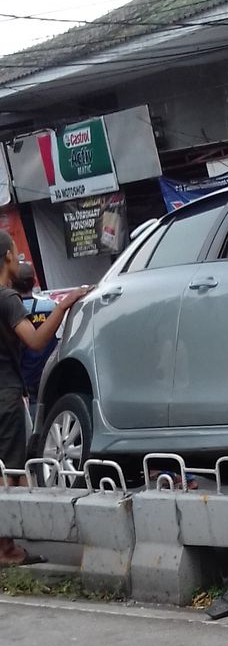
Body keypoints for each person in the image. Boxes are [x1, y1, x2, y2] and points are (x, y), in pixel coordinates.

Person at [0, 231, 87, 565]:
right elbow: (35, 341)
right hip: (5, 394)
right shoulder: (7, 299)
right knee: (9, 470)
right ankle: (6, 548)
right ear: (7, 256)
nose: (19, 256)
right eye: (16, 252)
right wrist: (64, 306)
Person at [16, 263, 57, 426]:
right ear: (34, 282)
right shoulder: (50, 307)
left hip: (21, 376)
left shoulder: (11, 308)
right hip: (46, 371)